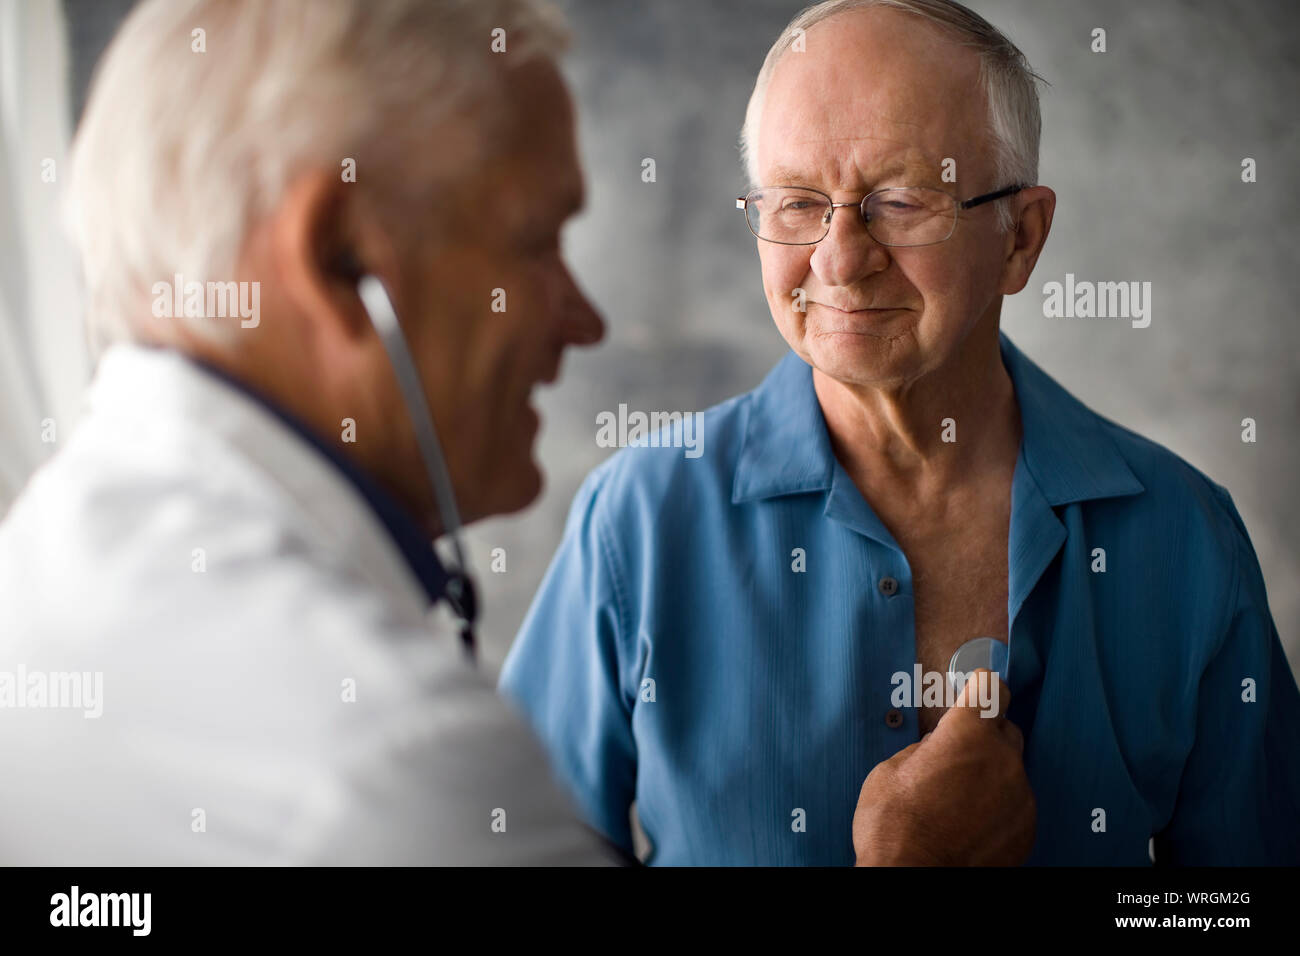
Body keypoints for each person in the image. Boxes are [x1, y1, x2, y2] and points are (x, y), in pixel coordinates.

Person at [500, 0, 1300, 865]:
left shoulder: (1184, 539)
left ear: (1021, 239)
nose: (840, 259)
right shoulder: (637, 526)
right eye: (799, 203)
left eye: (902, 200)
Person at [0, 0, 622, 865]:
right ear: (339, 258)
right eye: (537, 240)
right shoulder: (399, 760)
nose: (585, 320)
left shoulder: (33, 568)